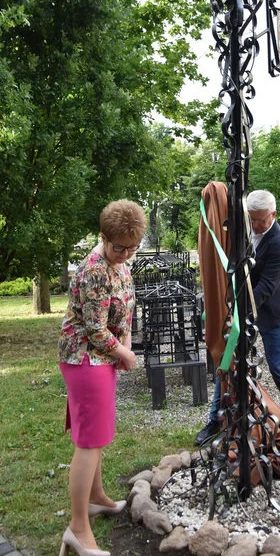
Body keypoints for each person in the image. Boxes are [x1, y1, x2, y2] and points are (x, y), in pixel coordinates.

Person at [58, 200, 146, 556]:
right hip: (84, 357)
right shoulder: (94, 269)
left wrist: (125, 343)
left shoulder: (121, 264)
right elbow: (95, 330)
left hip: (103, 358)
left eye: (133, 247)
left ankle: (95, 498)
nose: (125, 253)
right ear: (103, 238)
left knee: (97, 434)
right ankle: (78, 528)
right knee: (89, 441)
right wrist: (124, 353)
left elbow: (124, 309)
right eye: (119, 247)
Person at [195, 189, 280, 444]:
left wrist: (237, 310)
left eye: (260, 220)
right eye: (251, 219)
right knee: (227, 365)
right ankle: (215, 421)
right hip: (241, 311)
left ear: (273, 214)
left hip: (270, 315)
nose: (255, 224)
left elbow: (266, 286)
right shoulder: (242, 231)